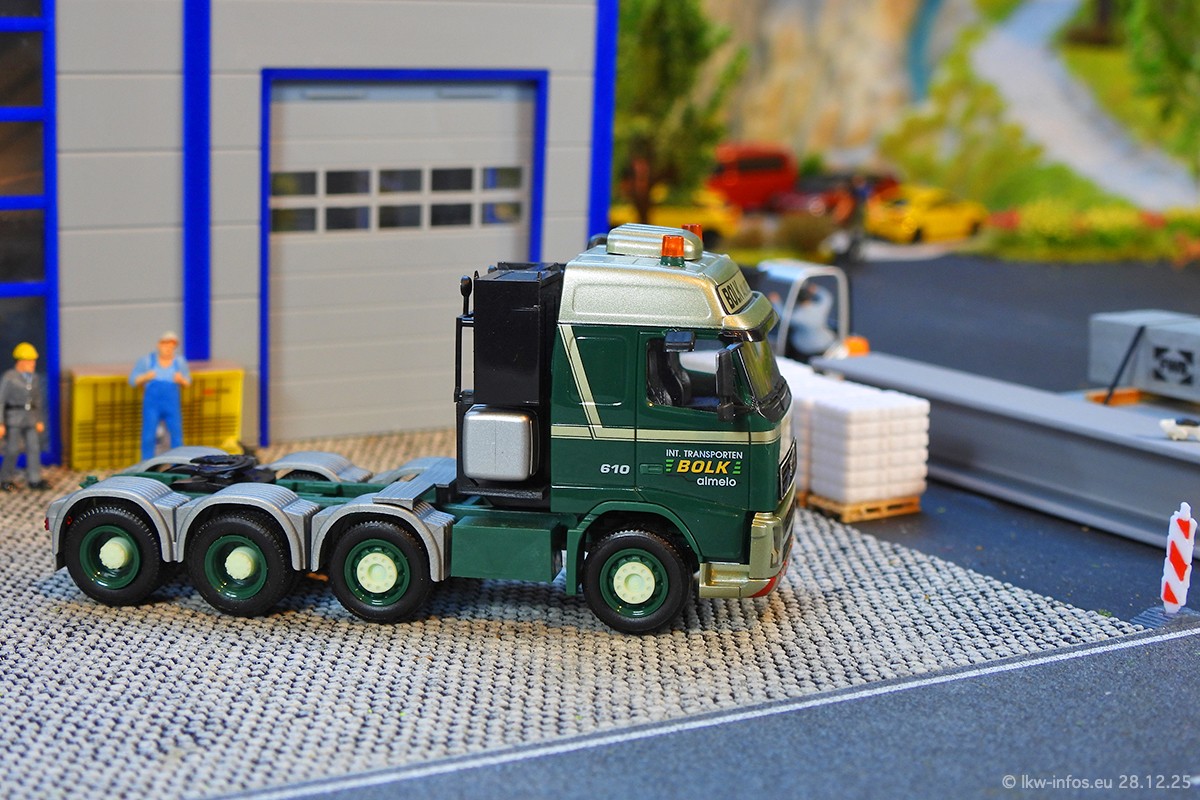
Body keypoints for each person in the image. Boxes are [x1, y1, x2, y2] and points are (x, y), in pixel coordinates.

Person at [130, 331, 191, 459]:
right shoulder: (147, 361)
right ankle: (147, 463)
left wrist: (181, 380)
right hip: (152, 405)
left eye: (172, 346)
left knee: (176, 435)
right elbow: (133, 381)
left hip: (172, 405)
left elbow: (188, 382)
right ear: (159, 345)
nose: (168, 348)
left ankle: (178, 463)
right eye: (166, 345)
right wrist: (146, 377)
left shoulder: (179, 362)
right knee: (148, 435)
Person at [0, 342, 47, 490]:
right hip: (14, 418)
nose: (33, 364)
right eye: (29, 361)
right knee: (12, 449)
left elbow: (37, 400)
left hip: (30, 418)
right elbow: (1, 401)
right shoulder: (9, 377)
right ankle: (5, 479)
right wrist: (1, 423)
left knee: (34, 448)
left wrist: (39, 420)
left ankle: (35, 479)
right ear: (20, 362)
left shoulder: (34, 378)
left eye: (33, 361)